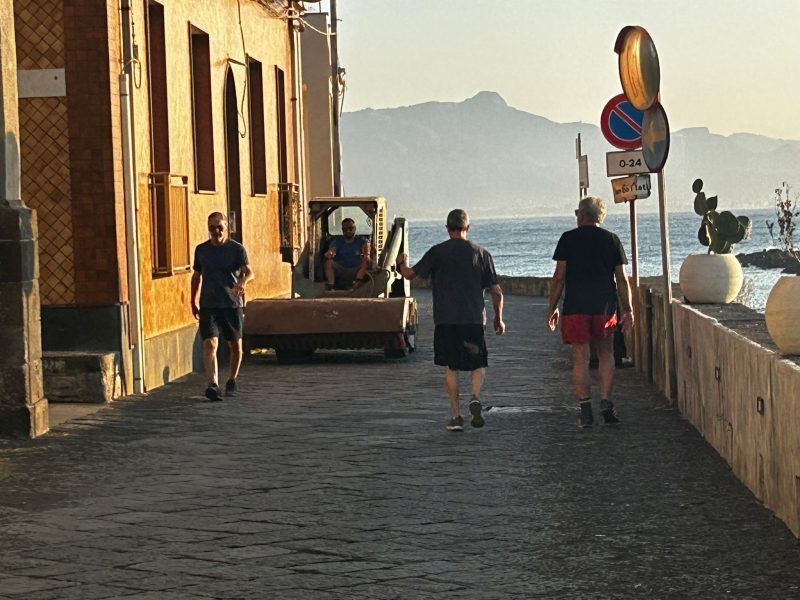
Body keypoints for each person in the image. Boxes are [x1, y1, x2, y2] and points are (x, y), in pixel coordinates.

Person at [398, 209, 505, 432]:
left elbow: (409, 274)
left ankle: (456, 417)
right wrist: (499, 318)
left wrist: (401, 263)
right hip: (474, 319)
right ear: (468, 228)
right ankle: (475, 396)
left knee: (451, 366)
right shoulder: (482, 253)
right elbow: (497, 292)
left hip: (445, 319)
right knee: (478, 363)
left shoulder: (437, 252)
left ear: (447, 229)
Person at [547, 196, 634, 428]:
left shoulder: (568, 239)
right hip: (604, 306)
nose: (576, 216)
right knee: (606, 354)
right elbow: (622, 279)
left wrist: (552, 306)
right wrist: (629, 310)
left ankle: (585, 409)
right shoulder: (611, 240)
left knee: (580, 358)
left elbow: (558, 278)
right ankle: (605, 401)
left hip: (575, 306)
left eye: (577, 212)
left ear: (583, 215)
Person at [190, 212, 254, 401]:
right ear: (208, 228)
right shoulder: (201, 250)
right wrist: (192, 301)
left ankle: (232, 380)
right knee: (210, 342)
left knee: (235, 346)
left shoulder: (237, 250)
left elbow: (250, 272)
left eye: (220, 227)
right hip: (208, 303)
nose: (216, 231)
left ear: (227, 228)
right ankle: (213, 384)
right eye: (212, 227)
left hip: (232, 304)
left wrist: (243, 281)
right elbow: (196, 277)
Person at [324, 218, 370, 289]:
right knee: (328, 262)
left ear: (355, 228)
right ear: (342, 230)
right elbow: (332, 249)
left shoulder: (361, 240)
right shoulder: (337, 241)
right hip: (341, 269)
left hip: (356, 269)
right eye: (345, 229)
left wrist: (366, 254)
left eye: (350, 228)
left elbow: (366, 246)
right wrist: (330, 253)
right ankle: (331, 286)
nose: (348, 231)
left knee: (366, 261)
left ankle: (357, 283)